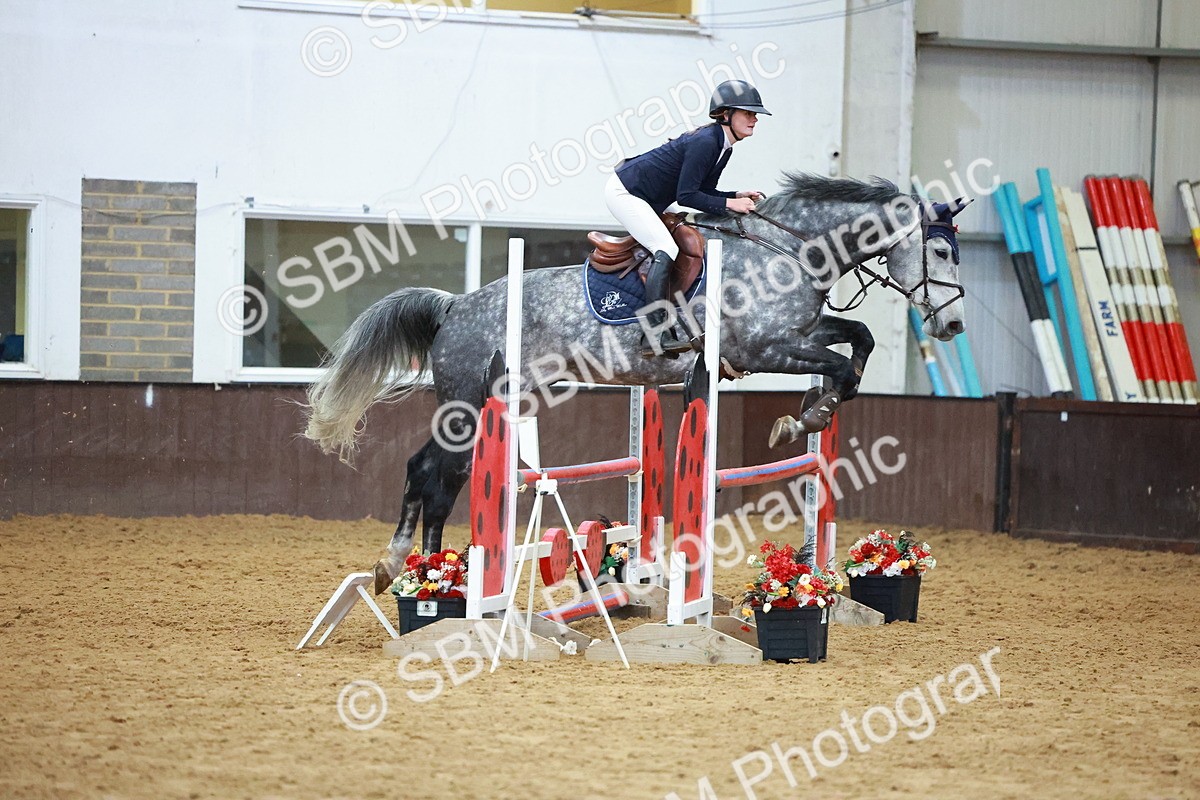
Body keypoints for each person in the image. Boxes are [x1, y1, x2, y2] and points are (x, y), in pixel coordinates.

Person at [605, 79, 769, 358]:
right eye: (748, 112)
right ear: (725, 114)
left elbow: (703, 191)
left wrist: (735, 194)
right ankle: (653, 334)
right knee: (666, 248)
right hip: (625, 192)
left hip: (646, 197)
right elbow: (687, 197)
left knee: (669, 245)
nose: (755, 118)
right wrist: (731, 203)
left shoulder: (722, 145)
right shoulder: (706, 142)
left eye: (755, 114)